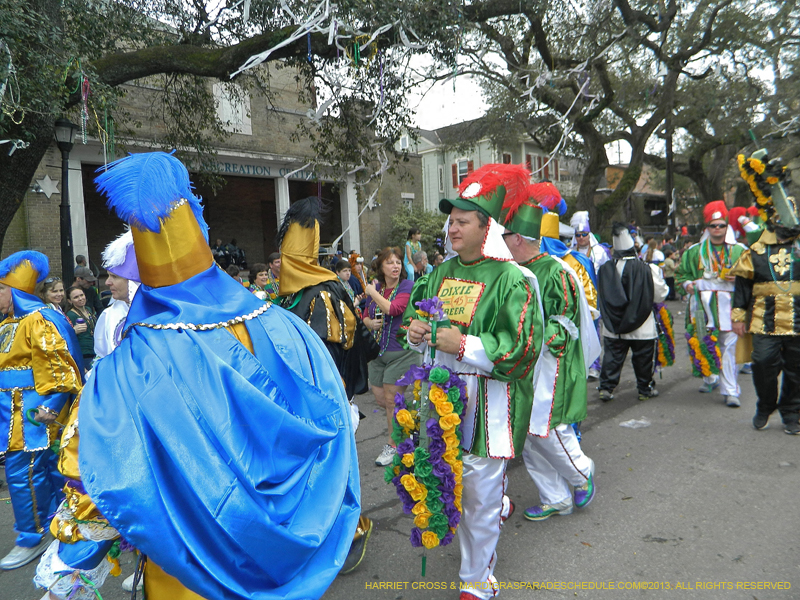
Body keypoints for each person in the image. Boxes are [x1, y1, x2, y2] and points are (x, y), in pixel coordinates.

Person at [34, 151, 359, 600]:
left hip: (191, 578)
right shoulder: (288, 328)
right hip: (294, 566)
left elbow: (103, 480)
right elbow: (336, 422)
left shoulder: (132, 366)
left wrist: (67, 580)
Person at [405, 163, 542, 600]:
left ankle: (477, 584)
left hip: (487, 405)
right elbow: (418, 314)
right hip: (440, 401)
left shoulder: (513, 278)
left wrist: (463, 344)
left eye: (462, 221)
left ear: (488, 226)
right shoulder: (441, 273)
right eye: (451, 220)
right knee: (450, 486)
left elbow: (521, 348)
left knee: (480, 500)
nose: (451, 228)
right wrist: (416, 330)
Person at [277, 197, 380, 574]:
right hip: (300, 406)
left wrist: (327, 409)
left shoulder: (321, 292)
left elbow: (328, 359)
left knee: (331, 473)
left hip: (324, 406)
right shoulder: (294, 293)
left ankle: (350, 533)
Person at [495, 187, 600, 524]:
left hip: (549, 365)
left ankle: (581, 473)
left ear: (519, 238)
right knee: (527, 432)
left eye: (505, 234)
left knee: (545, 427)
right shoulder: (512, 270)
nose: (501, 240)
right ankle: (555, 498)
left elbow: (565, 323)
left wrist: (530, 339)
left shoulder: (554, 271)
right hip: (524, 366)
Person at [0, 252, 83, 570]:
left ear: (13, 290)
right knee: (47, 471)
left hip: (33, 415)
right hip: (11, 415)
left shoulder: (39, 319)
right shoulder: (9, 322)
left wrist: (52, 405)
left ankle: (29, 537)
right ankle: (57, 525)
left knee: (21, 474)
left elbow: (61, 367)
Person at [731, 150, 800, 434]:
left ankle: (792, 413)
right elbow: (742, 285)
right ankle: (764, 404)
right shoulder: (757, 249)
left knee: (797, 373)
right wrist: (738, 316)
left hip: (797, 321)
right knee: (762, 365)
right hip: (764, 321)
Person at [675, 201, 746, 407]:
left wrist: (740, 278)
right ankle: (709, 377)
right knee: (703, 342)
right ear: (707, 228)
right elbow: (681, 276)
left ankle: (730, 390)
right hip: (701, 308)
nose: (717, 229)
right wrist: (688, 285)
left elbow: (752, 277)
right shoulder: (694, 252)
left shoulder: (740, 251)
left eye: (721, 225)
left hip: (730, 308)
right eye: (713, 225)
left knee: (728, 348)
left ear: (727, 226)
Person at [597, 223, 668, 402]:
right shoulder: (647, 268)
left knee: (612, 357)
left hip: (614, 325)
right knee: (643, 359)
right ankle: (644, 389)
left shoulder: (605, 269)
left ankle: (606, 387)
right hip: (642, 323)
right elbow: (660, 295)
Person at [363, 247, 419, 467]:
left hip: (401, 353)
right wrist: (367, 321)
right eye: (390, 263)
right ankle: (411, 431)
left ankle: (393, 445)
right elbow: (366, 313)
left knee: (390, 401)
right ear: (381, 267)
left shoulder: (407, 286)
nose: (395, 266)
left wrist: (372, 292)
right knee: (381, 399)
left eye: (398, 262)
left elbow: (393, 309)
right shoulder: (378, 289)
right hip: (377, 353)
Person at [93, 231, 140, 362]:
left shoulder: (158, 314)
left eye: (114, 276)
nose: (107, 282)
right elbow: (101, 356)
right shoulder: (107, 316)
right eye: (108, 275)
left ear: (133, 281)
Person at [66, 286, 97, 370]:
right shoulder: (70, 315)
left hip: (95, 351)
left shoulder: (88, 309)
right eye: (76, 297)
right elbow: (67, 336)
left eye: (81, 295)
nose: (80, 298)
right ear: (70, 301)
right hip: (84, 354)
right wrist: (74, 331)